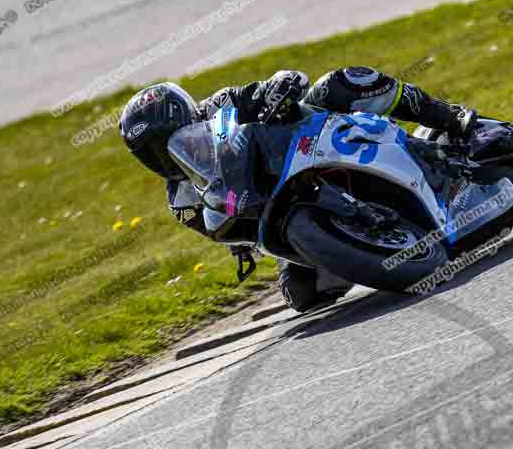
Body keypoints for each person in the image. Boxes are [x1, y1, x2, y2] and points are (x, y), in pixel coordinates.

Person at [119, 67, 478, 311]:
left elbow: (269, 87)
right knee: (302, 295)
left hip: (311, 146)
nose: (162, 152)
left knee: (343, 82)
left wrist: (281, 86)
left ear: (186, 115)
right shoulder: (180, 198)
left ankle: (448, 117)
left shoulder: (221, 106)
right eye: (149, 149)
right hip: (279, 210)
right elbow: (226, 226)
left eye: (165, 138)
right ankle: (376, 236)